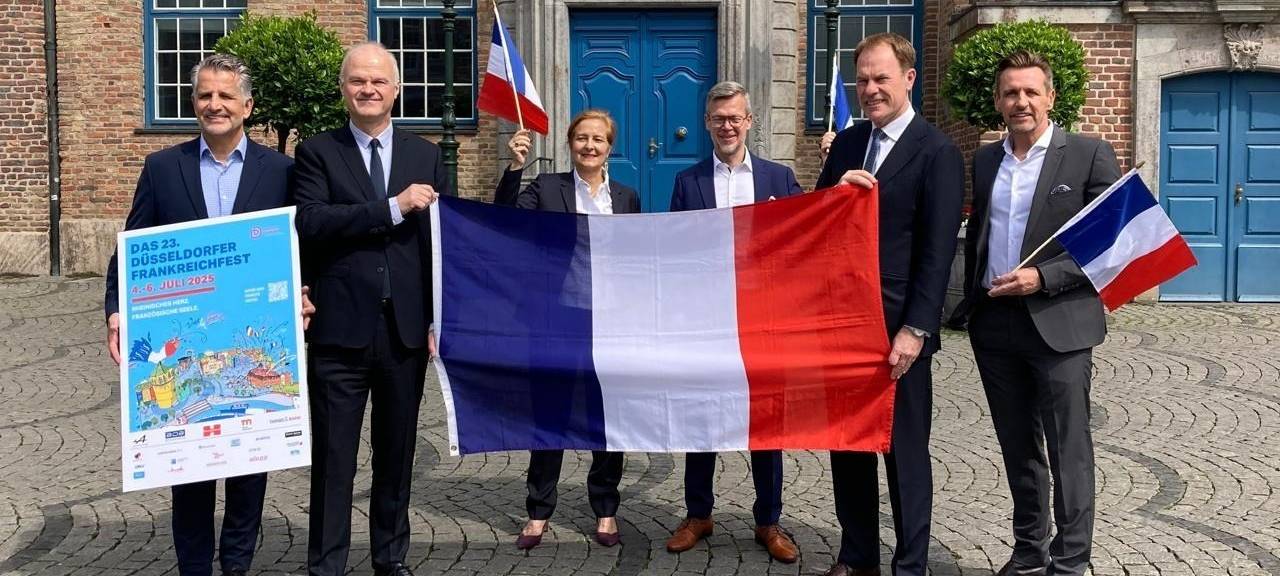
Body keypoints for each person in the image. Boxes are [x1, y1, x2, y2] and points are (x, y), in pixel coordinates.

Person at [103, 54, 296, 576]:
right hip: (186, 346)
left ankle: (236, 566)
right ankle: (194, 568)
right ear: (194, 103)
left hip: (248, 343)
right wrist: (117, 309)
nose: (215, 105)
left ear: (247, 106)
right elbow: (132, 249)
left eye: (226, 96)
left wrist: (303, 292)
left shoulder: (280, 171)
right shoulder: (163, 167)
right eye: (206, 96)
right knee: (187, 469)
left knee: (249, 468)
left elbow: (301, 249)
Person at [960, 50, 1120, 576]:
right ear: (998, 100)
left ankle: (1070, 562)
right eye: (1011, 93)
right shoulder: (987, 160)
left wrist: (1043, 277)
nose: (1021, 101)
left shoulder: (1089, 155)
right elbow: (982, 231)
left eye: (1031, 92)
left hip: (1060, 323)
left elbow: (1112, 242)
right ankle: (1030, 551)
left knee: (1068, 448)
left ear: (1051, 96)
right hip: (996, 324)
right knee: (1017, 447)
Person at [814, 32, 965, 576]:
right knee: (849, 446)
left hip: (899, 329)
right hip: (845, 324)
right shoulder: (850, 143)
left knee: (903, 455)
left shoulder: (937, 150)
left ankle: (910, 564)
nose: (871, 89)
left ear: (908, 78)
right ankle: (857, 556)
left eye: (881, 78)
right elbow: (817, 226)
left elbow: (938, 249)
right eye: (863, 80)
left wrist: (917, 329)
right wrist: (834, 194)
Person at [293, 42, 446, 576]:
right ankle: (327, 565)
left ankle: (391, 558)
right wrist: (391, 207)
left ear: (396, 89)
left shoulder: (424, 153)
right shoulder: (317, 152)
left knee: (396, 457)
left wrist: (438, 318)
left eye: (379, 81)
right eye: (358, 81)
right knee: (335, 461)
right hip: (339, 329)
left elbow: (439, 244)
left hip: (404, 331)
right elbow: (312, 223)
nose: (368, 90)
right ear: (343, 90)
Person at [665, 80, 803, 564]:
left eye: (735, 117)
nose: (727, 125)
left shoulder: (779, 179)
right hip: (707, 319)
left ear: (750, 121)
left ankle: (769, 519)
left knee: (766, 420)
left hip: (764, 319)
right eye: (718, 118)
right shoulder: (688, 182)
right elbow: (675, 250)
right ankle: (698, 513)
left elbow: (803, 239)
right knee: (701, 418)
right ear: (707, 124)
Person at [495, 109, 639, 550]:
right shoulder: (545, 188)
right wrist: (515, 168)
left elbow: (640, 257)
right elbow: (507, 223)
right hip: (556, 321)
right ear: (570, 144)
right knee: (550, 416)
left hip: (610, 322)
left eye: (598, 139)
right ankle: (538, 512)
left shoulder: (627, 197)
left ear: (610, 147)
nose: (590, 146)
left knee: (605, 418)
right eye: (582, 138)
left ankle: (606, 509)